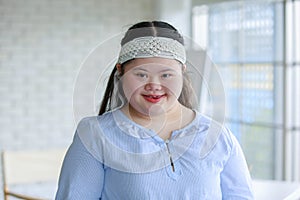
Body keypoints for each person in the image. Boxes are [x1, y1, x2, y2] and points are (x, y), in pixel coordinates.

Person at [55, 21, 254, 199]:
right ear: (120, 71)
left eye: (166, 75)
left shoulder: (218, 137)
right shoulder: (95, 135)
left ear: (182, 72)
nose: (154, 85)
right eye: (141, 75)